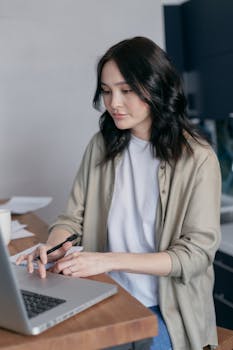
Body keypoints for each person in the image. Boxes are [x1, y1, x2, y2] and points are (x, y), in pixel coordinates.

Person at [17, 36, 221, 350]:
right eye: (106, 91)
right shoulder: (101, 145)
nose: (114, 103)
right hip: (105, 294)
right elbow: (72, 218)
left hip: (165, 311)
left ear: (157, 88)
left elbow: (195, 255)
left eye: (126, 91)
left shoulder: (197, 158)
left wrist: (107, 261)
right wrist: (54, 246)